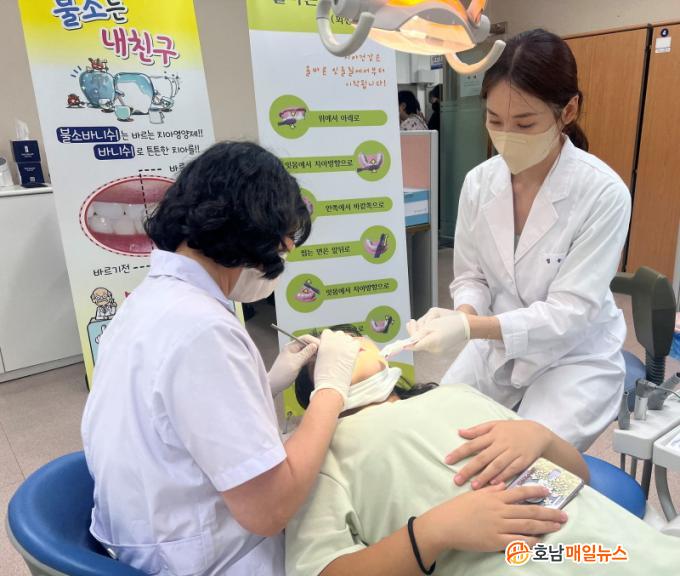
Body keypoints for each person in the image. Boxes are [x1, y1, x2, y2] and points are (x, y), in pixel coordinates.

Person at [80, 142, 361, 575]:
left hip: (141, 535)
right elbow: (269, 510)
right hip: (202, 561)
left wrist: (265, 384)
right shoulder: (204, 329)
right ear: (255, 232)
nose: (280, 261)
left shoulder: (149, 301)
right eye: (282, 248)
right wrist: (330, 390)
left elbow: (172, 413)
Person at [407, 29, 631, 451]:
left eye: (525, 123)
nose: (506, 136)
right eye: (494, 121)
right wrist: (464, 314)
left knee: (515, 465)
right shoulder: (479, 183)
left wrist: (472, 326)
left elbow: (569, 315)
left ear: (568, 111)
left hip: (573, 358)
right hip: (496, 347)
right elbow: (471, 276)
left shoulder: (603, 193)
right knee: (433, 436)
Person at [286, 341, 680, 575]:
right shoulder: (316, 456)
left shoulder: (455, 395)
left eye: (353, 337)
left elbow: (580, 479)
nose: (347, 342)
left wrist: (543, 437)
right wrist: (431, 532)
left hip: (619, 545)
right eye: (331, 349)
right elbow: (324, 568)